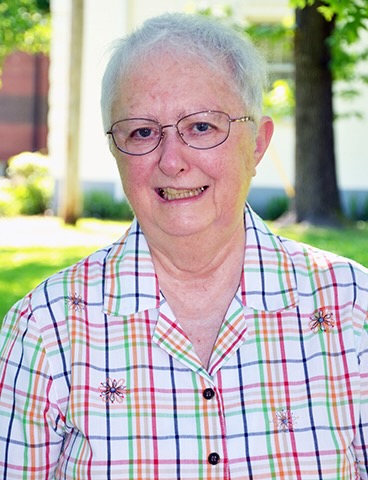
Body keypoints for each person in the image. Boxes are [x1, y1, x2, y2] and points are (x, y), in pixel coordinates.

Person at [0, 12, 367, 480]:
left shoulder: (352, 309)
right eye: (142, 131)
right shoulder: (45, 330)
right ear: (115, 151)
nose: (171, 161)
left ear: (257, 144)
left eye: (201, 127)